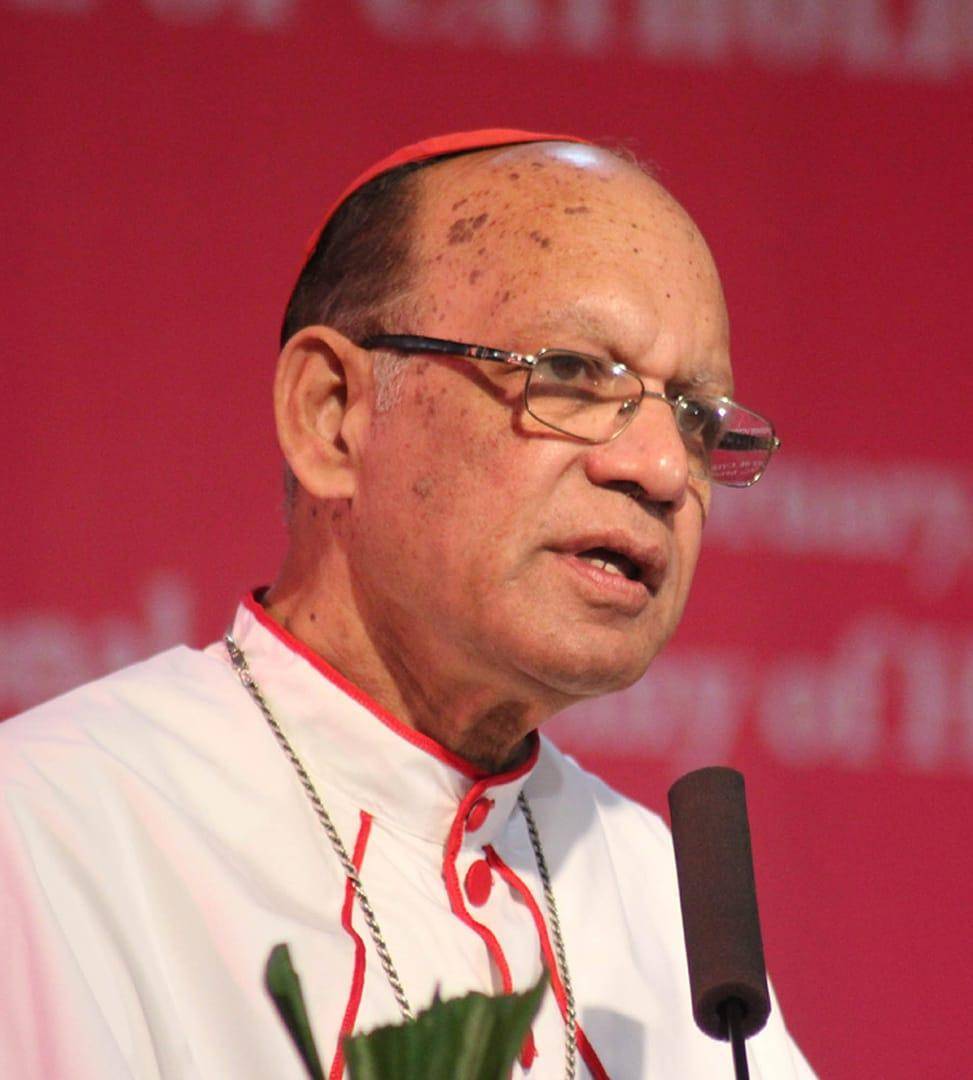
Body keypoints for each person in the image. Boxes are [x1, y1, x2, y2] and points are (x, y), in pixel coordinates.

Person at [0, 129, 813, 1079]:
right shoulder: (55, 833)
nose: (663, 469)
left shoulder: (657, 900)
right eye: (574, 375)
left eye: (694, 415)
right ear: (331, 415)